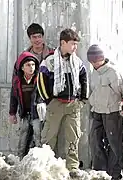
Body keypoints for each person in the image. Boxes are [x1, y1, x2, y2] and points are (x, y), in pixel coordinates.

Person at [37, 28, 88, 178]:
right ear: (63, 43)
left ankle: (72, 167)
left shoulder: (77, 62)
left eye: (76, 44)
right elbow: (41, 82)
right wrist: (48, 101)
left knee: (73, 137)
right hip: (56, 104)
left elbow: (84, 80)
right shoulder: (50, 61)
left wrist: (82, 100)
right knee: (49, 137)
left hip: (73, 105)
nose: (75, 47)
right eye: (72, 44)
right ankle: (46, 166)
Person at [87, 44, 123, 180]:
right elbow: (92, 90)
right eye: (92, 61)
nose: (94, 63)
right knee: (94, 140)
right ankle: (100, 170)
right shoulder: (93, 72)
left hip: (113, 111)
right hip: (97, 110)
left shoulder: (113, 72)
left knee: (113, 142)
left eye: (96, 60)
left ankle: (114, 173)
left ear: (102, 58)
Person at [9, 52, 41, 159]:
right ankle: (20, 159)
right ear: (22, 68)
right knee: (23, 136)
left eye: (33, 65)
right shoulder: (18, 81)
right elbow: (14, 97)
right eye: (28, 65)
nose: (31, 67)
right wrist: (12, 113)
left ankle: (38, 160)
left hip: (37, 114)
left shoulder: (39, 79)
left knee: (38, 136)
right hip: (24, 113)